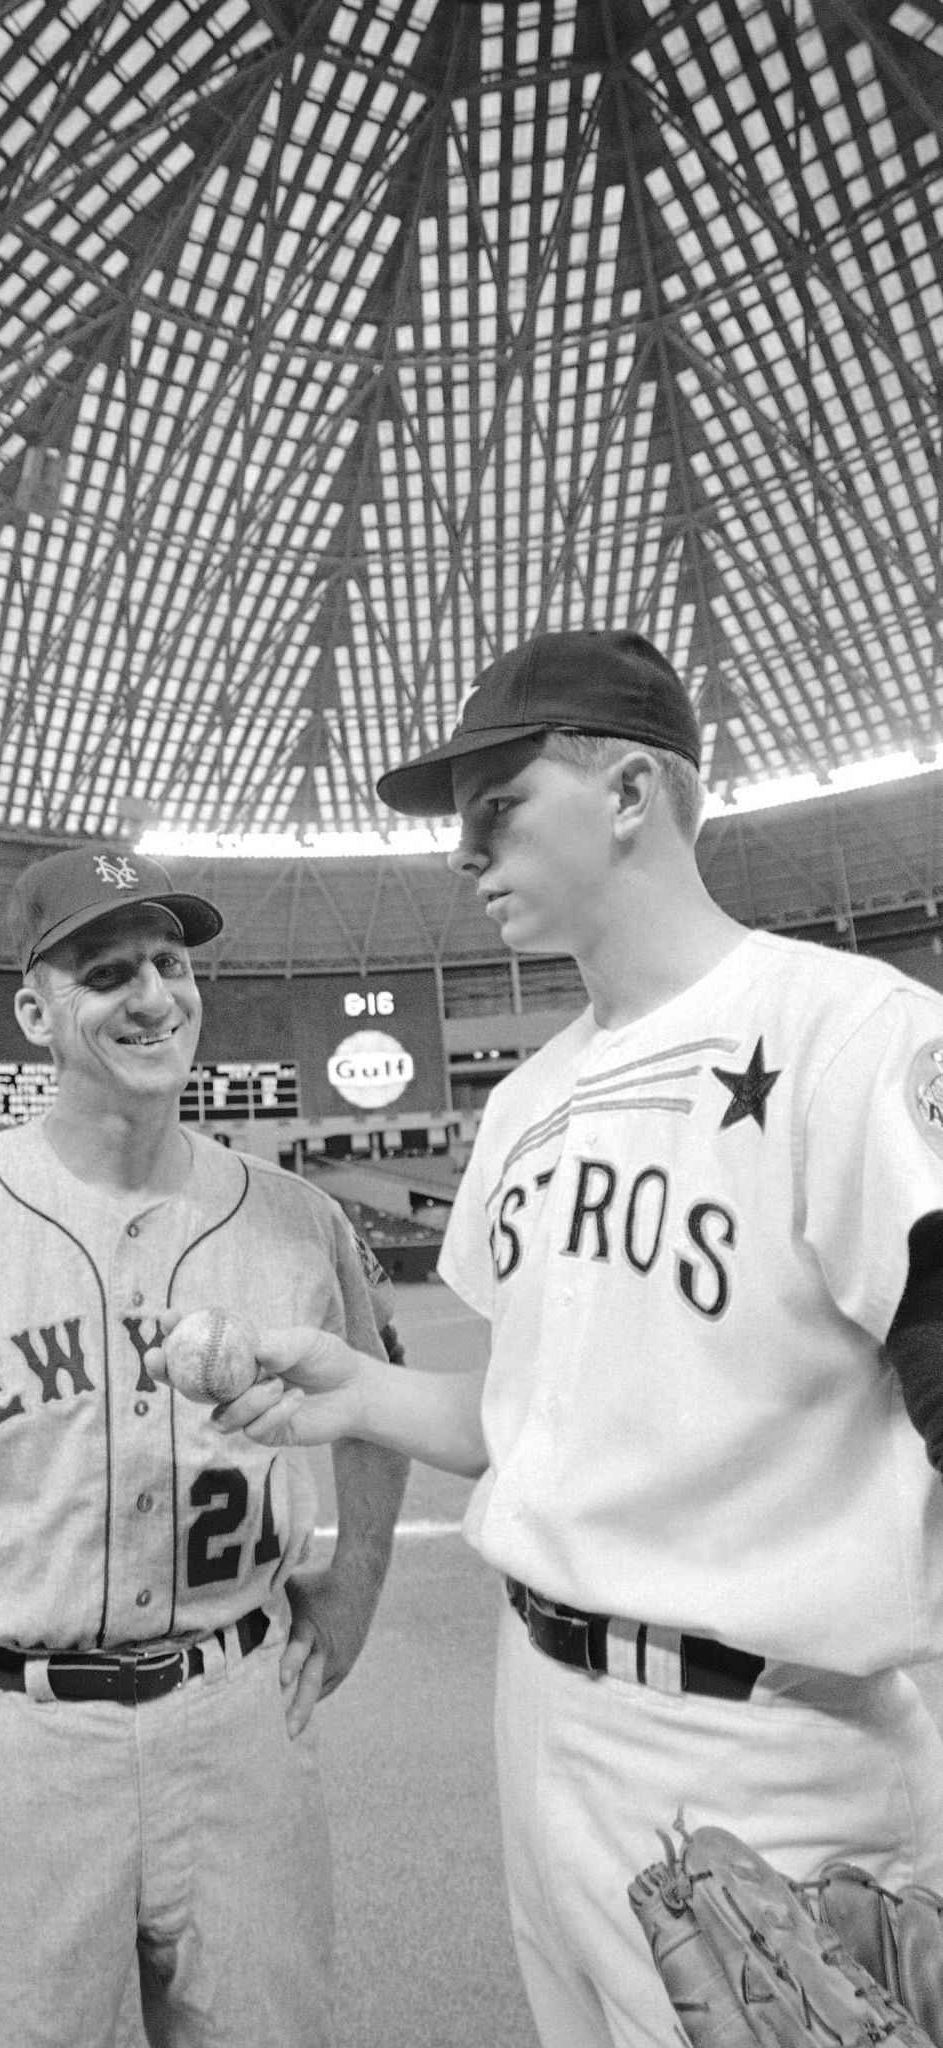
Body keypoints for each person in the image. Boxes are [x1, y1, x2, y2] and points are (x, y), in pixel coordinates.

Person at [205, 629, 943, 2048]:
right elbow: (546, 1421)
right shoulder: (524, 1101)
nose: (463, 849)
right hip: (538, 1719)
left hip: (768, 1749)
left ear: (628, 794)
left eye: (496, 806)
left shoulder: (851, 1035)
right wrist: (355, 1392)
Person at [0, 844, 408, 2048]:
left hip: (239, 1724)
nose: (153, 995)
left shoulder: (301, 1220)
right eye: (108, 972)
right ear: (34, 1010)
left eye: (170, 962)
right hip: (9, 1742)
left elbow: (376, 1399)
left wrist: (351, 1581)